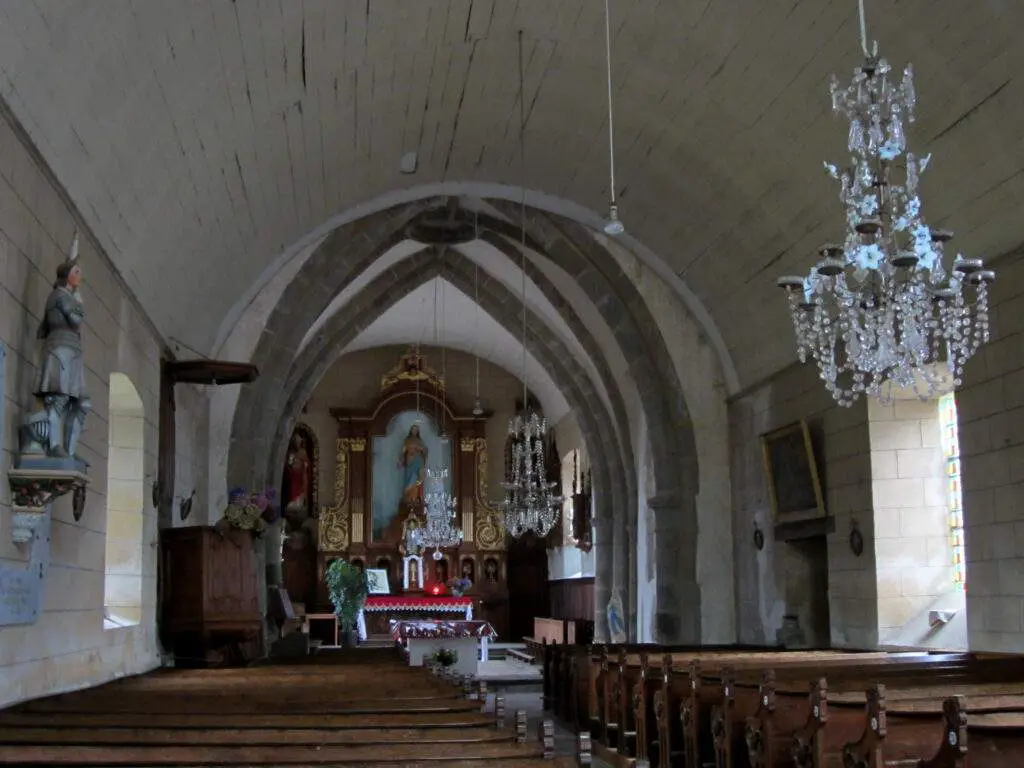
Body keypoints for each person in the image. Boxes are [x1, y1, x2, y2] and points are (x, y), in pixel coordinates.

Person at [25, 236, 92, 463]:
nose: (79, 276)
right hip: (60, 350)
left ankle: (71, 452)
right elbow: (74, 319)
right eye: (76, 272)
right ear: (67, 275)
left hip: (73, 352)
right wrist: (79, 304)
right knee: (59, 398)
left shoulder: (69, 297)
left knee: (83, 402)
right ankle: (54, 445)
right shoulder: (59, 296)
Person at [397, 424, 427, 506]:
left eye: (416, 429)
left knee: (418, 478)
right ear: (410, 430)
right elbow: (403, 451)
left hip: (418, 460)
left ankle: (416, 498)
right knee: (408, 479)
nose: (414, 431)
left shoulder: (420, 441)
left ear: (418, 432)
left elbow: (424, 451)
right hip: (409, 461)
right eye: (413, 429)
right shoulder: (407, 440)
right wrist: (400, 460)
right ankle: (408, 499)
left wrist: (422, 450)